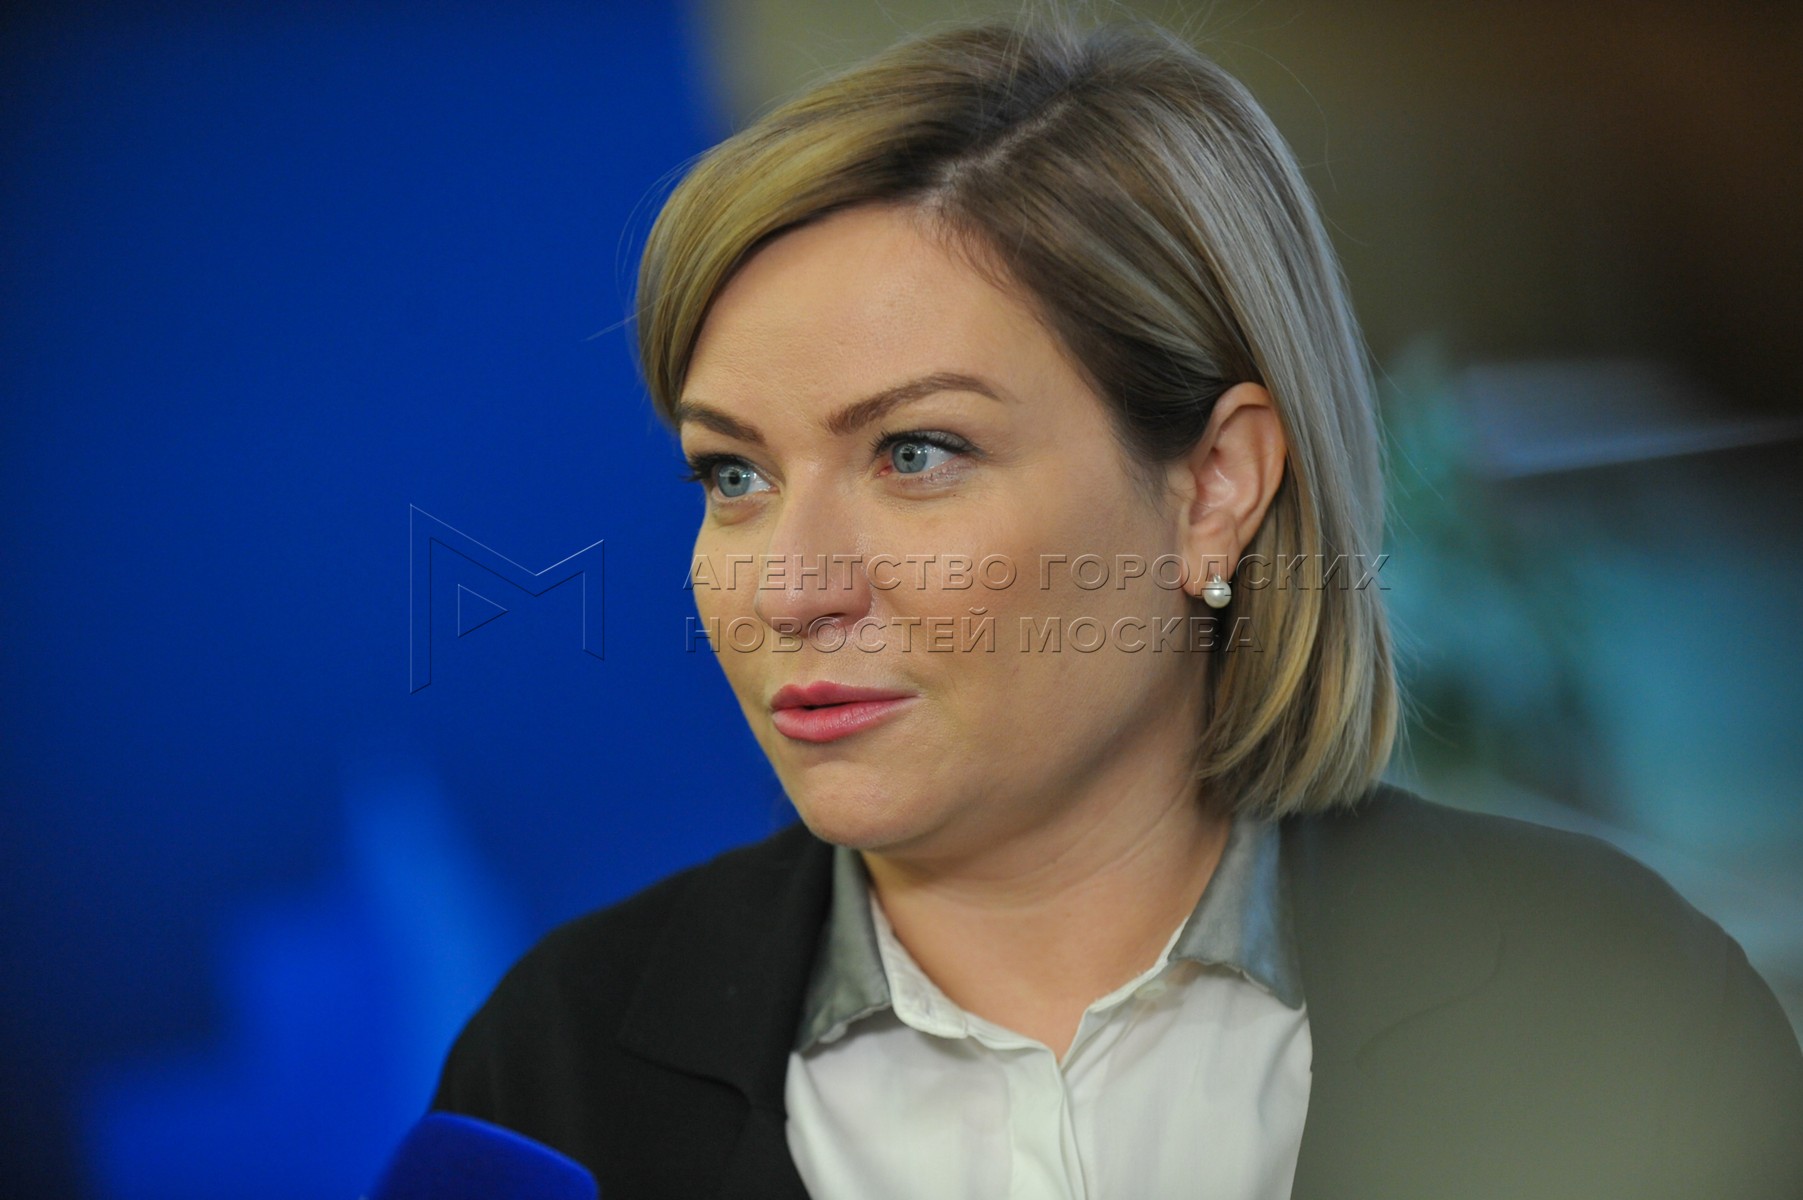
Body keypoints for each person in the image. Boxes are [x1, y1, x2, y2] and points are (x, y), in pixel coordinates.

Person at [430, 12, 1803, 1199]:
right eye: (733, 475)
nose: (790, 587)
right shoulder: (556, 1071)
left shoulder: (1616, 1003)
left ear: (1214, 488)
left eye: (917, 453)